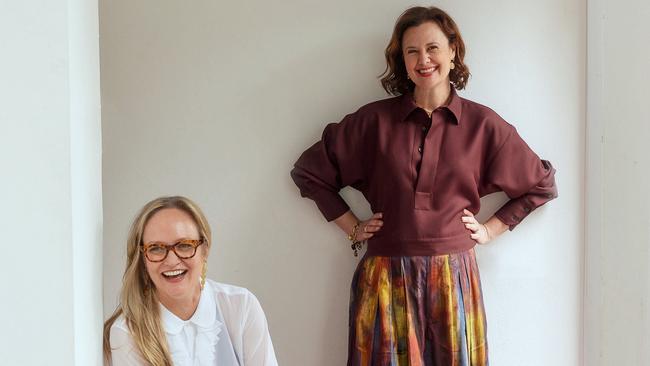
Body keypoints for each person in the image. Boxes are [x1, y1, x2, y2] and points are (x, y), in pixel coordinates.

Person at [290, 6, 557, 366]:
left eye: (432, 48)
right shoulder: (373, 122)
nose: (423, 59)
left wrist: (492, 229)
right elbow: (309, 172)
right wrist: (352, 227)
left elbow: (540, 184)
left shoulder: (483, 125)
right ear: (401, 60)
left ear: (452, 51)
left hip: (454, 280)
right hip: (386, 278)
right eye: (411, 51)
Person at [103, 196, 278, 366]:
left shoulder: (241, 306)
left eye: (184, 245)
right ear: (142, 257)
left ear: (205, 249)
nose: (171, 261)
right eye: (156, 248)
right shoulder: (126, 332)